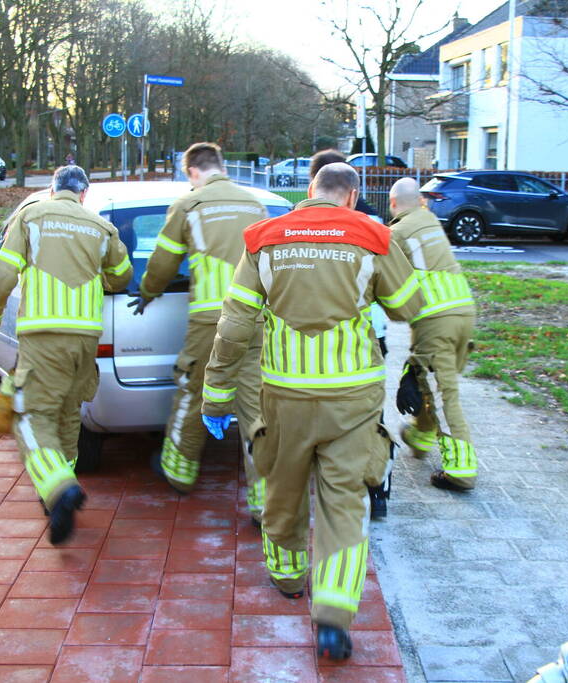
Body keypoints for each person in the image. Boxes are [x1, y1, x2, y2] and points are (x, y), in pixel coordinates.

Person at [200, 163, 423, 660]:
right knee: (344, 501)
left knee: (282, 488)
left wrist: (216, 393)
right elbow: (412, 306)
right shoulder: (373, 234)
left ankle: (286, 577)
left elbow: (234, 324)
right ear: (353, 195)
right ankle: (333, 616)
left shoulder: (263, 238)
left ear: (309, 190)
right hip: (354, 398)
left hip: (284, 396)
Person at [0, 165, 132, 544]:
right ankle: (58, 493)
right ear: (84, 194)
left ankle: (58, 487)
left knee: (29, 418)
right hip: (84, 342)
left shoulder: (31, 216)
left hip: (43, 338)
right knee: (66, 418)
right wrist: (100, 277)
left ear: (53, 190)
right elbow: (123, 275)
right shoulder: (100, 227)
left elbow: (2, 272)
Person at [127, 142, 267, 515]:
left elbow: (162, 263)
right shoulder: (255, 205)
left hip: (211, 321)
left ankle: (179, 471)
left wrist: (146, 293)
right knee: (256, 408)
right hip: (255, 319)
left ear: (192, 172)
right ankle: (264, 501)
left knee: (194, 393)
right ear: (221, 166)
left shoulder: (188, 205)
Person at [307, 149, 393, 519]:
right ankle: (375, 490)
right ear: (352, 190)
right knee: (368, 418)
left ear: (313, 186)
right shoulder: (375, 224)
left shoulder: (292, 228)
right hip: (367, 335)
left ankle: (322, 483)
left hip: (308, 340)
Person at [388, 177, 478, 490]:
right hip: (464, 314)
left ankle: (461, 468)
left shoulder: (396, 233)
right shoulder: (429, 220)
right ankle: (420, 436)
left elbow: (382, 278)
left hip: (435, 320)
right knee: (422, 379)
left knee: (442, 394)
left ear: (393, 203)